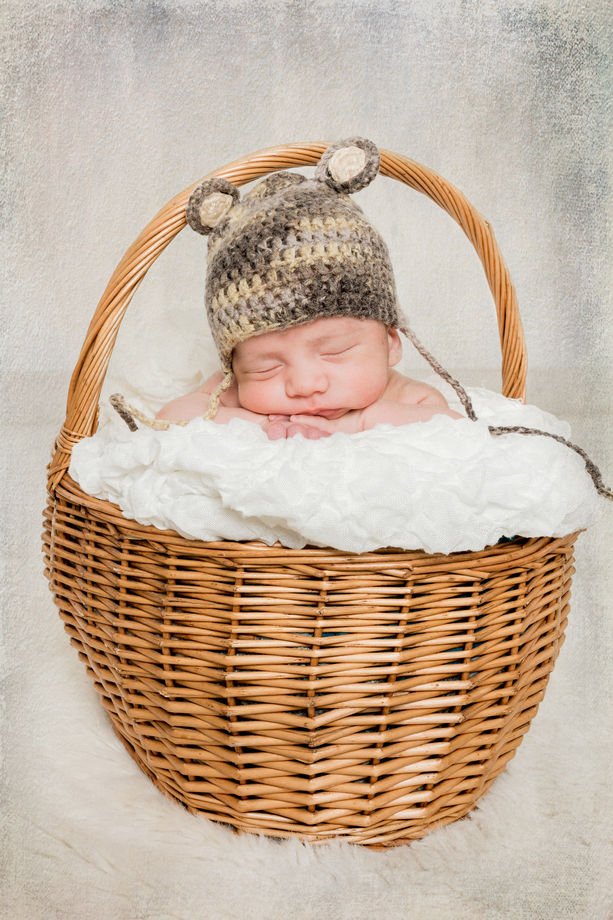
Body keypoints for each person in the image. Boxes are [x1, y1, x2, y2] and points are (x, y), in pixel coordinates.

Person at [155, 137, 461, 440]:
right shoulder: (235, 390)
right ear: (233, 366)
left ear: (391, 343)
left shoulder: (399, 394)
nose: (304, 385)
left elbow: (450, 424)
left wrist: (359, 422)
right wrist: (260, 425)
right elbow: (171, 415)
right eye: (266, 368)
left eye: (334, 352)